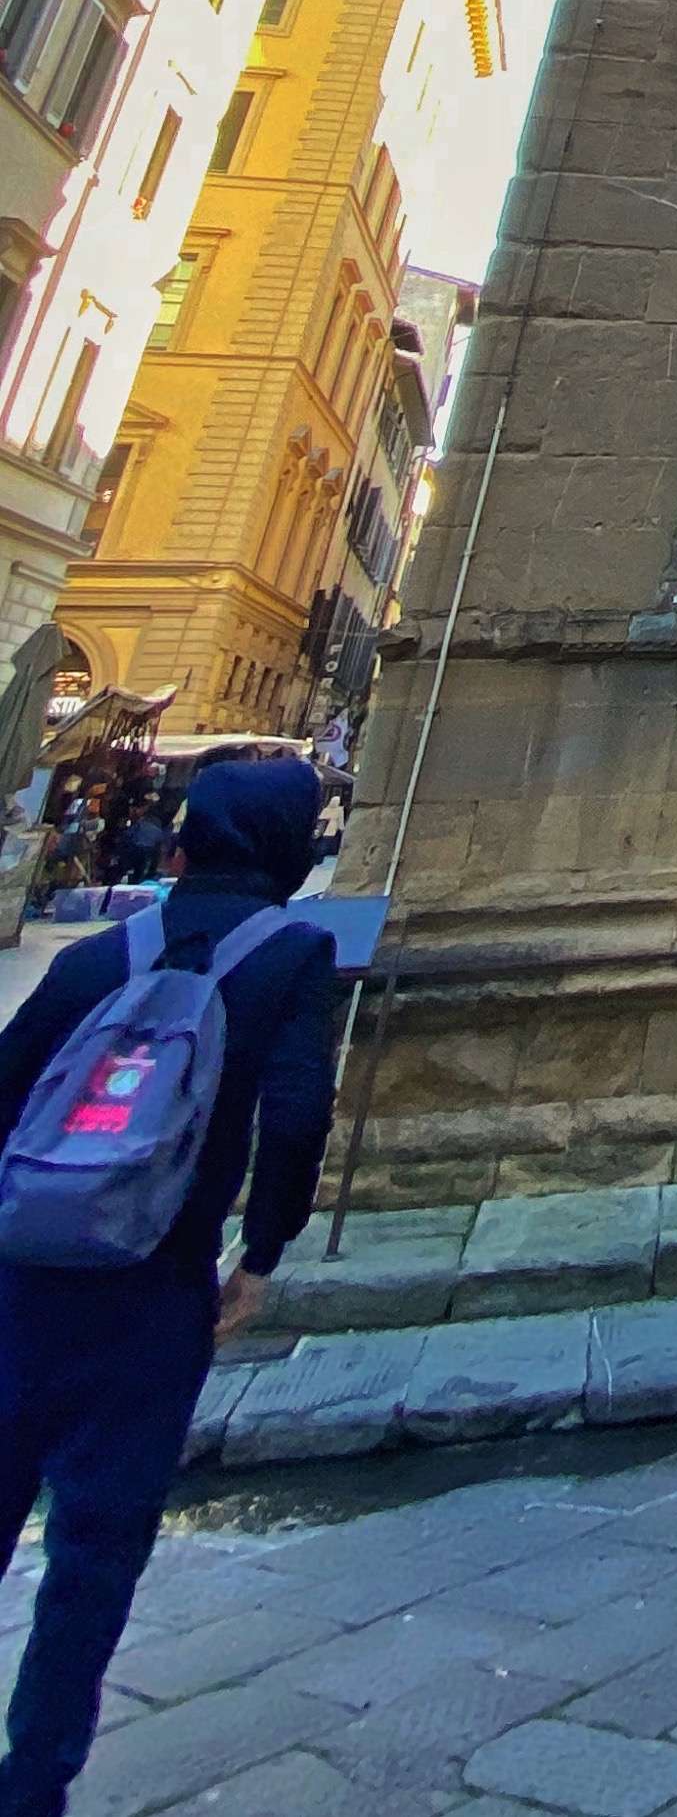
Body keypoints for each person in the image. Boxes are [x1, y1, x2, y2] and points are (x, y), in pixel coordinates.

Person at [0, 754, 337, 1815]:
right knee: (96, 1550)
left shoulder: (101, 956)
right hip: (155, 1288)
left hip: (22, 1273)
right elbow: (293, 1119)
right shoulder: (291, 954)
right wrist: (263, 1256)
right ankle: (35, 1781)